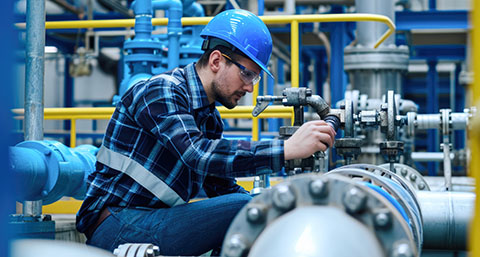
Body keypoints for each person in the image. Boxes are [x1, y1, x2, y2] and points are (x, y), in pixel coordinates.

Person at [76, 9, 336, 256]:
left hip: (151, 219)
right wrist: (285, 149)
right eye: (246, 74)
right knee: (244, 210)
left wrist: (275, 208)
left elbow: (221, 188)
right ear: (216, 61)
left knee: (253, 208)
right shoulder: (162, 91)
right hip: (115, 225)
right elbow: (197, 154)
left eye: (254, 79)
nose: (249, 88)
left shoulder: (209, 119)